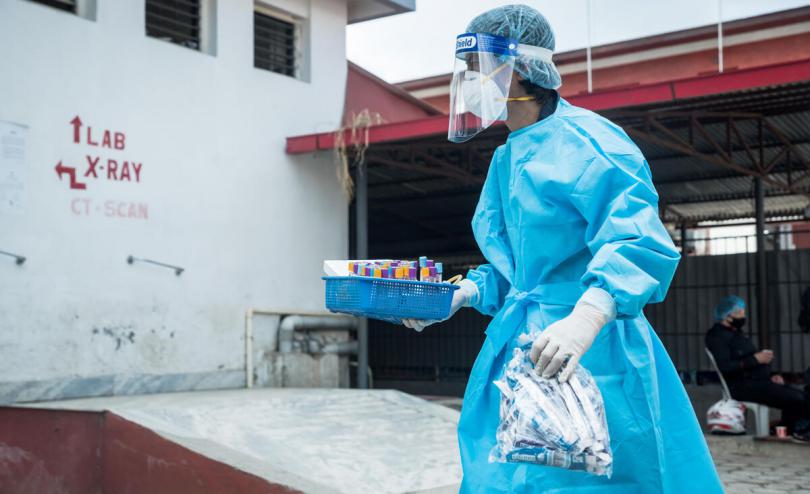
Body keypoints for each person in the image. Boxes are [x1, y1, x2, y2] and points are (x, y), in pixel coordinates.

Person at [403, 4, 723, 492]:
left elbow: (638, 239)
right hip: (520, 350)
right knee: (504, 477)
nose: (470, 82)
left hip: (591, 349)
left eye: (479, 68)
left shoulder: (591, 141)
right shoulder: (507, 157)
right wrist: (462, 294)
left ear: (523, 68)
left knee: (597, 477)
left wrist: (587, 316)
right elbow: (518, 267)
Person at [706, 296, 810, 441]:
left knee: (801, 396)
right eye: (739, 313)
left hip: (759, 382)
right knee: (796, 398)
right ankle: (792, 431)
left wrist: (770, 376)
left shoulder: (736, 334)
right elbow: (726, 367)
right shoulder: (717, 337)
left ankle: (788, 429)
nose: (743, 316)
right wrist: (756, 359)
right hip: (743, 386)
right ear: (727, 316)